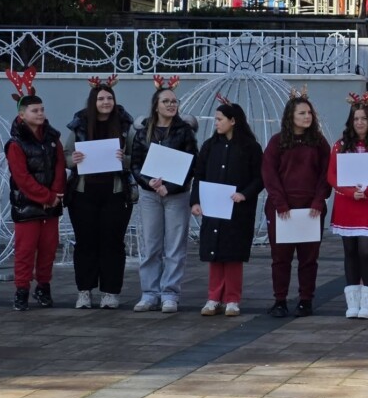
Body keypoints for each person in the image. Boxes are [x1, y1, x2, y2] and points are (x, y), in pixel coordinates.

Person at [129, 78, 199, 312]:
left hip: (176, 194)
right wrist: (148, 182)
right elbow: (135, 164)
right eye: (166, 101)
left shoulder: (184, 131)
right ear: (156, 105)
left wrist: (169, 186)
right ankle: (149, 293)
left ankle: (170, 293)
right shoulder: (143, 131)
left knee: (175, 246)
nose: (171, 105)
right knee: (151, 245)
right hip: (149, 195)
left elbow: (191, 163)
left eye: (174, 101)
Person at [65, 76, 134, 309]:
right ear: (93, 101)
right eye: (101, 98)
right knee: (85, 243)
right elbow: (65, 156)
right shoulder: (80, 125)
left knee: (112, 243)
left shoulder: (126, 126)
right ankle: (84, 291)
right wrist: (72, 160)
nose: (106, 102)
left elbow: (139, 157)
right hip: (84, 193)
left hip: (115, 192)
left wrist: (124, 160)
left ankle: (110, 292)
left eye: (109, 98)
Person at [191, 101, 264, 317]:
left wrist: (245, 194)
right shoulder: (209, 146)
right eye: (215, 119)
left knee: (233, 254)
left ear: (233, 121)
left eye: (220, 119)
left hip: (237, 209)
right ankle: (213, 297)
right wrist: (195, 201)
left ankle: (232, 298)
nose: (217, 123)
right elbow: (199, 175)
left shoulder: (251, 147)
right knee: (214, 254)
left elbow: (260, 178)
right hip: (213, 207)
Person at [263, 93, 331, 318]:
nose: (307, 116)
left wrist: (318, 201)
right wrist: (281, 204)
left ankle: (305, 301)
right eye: (302, 113)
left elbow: (326, 175)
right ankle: (280, 300)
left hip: (311, 210)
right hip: (283, 210)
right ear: (290, 116)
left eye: (309, 112)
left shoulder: (319, 142)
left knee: (308, 259)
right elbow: (269, 175)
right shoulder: (277, 141)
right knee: (280, 258)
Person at [327, 96, 368, 320]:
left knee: (366, 252)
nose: (359, 122)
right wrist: (349, 192)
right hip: (347, 204)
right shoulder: (340, 145)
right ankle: (353, 302)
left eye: (364, 118)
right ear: (351, 121)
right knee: (350, 252)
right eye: (356, 118)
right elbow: (332, 175)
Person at [4, 78, 66, 311]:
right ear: (22, 115)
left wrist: (57, 193)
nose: (40, 114)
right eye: (35, 110)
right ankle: (21, 290)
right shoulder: (16, 143)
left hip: (51, 206)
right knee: (25, 250)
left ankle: (43, 286)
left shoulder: (52, 138)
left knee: (49, 248)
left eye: (42, 109)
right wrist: (46, 196)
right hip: (27, 206)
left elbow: (60, 167)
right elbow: (22, 178)